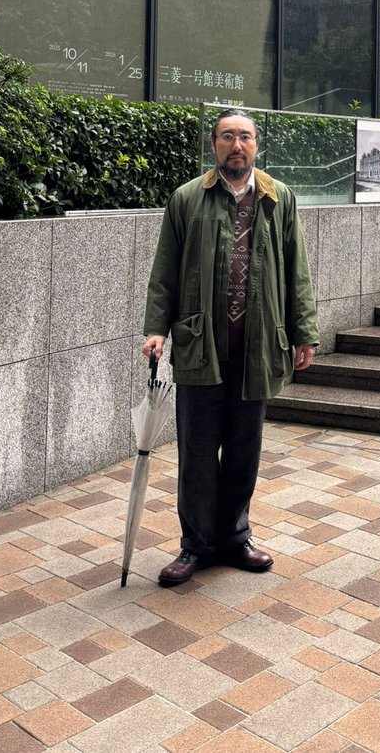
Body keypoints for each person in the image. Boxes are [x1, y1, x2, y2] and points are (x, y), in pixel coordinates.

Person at [142, 109, 318, 586]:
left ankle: (235, 538)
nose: (236, 145)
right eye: (227, 137)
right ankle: (196, 544)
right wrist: (156, 328)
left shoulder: (279, 198)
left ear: (257, 144)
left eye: (245, 137)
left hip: (258, 346)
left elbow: (297, 269)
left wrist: (304, 331)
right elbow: (165, 270)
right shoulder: (187, 198)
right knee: (197, 451)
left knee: (244, 449)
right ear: (213, 144)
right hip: (201, 345)